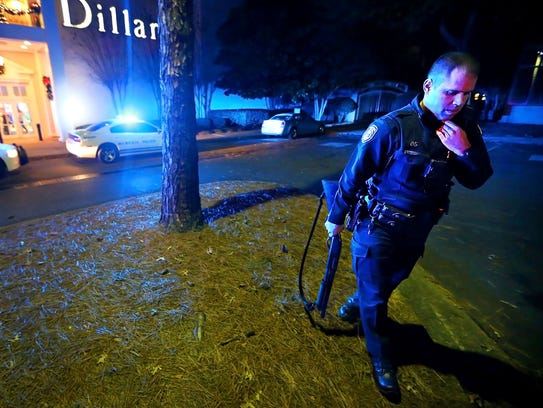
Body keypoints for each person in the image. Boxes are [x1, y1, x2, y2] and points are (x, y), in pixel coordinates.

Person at [324, 51, 493, 399]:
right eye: (451, 92)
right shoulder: (391, 127)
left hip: (418, 230)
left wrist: (464, 151)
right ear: (429, 85)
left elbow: (477, 179)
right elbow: (353, 175)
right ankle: (381, 357)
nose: (458, 102)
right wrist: (335, 218)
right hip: (378, 229)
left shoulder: (465, 128)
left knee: (393, 280)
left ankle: (359, 299)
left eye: (467, 94)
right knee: (376, 301)